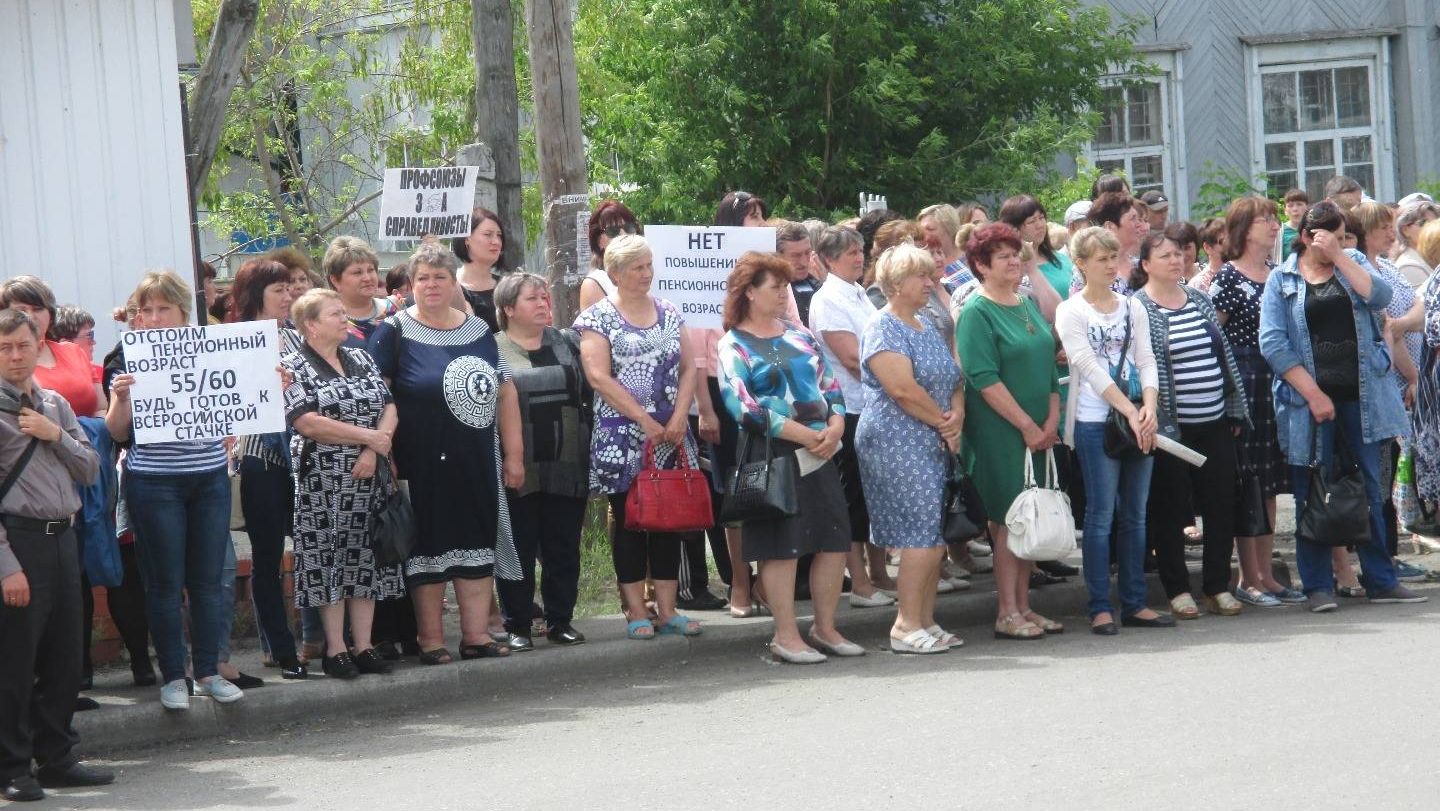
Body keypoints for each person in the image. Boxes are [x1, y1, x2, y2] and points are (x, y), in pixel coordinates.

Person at [1258, 201, 1426, 611]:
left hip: (1362, 398)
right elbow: (1273, 343)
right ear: (1303, 237)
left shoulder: (1350, 262)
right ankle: (1317, 585)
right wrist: (1313, 394)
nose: (1333, 240)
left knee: (1370, 488)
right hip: (1307, 405)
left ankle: (1381, 579)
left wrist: (1337, 256)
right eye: (1324, 235)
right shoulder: (1281, 280)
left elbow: (1381, 297)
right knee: (1312, 494)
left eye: (1339, 233)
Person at [370, 242, 525, 663]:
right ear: (410, 284)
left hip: (475, 460)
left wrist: (514, 456)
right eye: (423, 278)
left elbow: (504, 392)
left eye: (440, 277)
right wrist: (385, 454)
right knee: (428, 550)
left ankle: (476, 636)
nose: (432, 285)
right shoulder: (394, 331)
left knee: (476, 543)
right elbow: (376, 398)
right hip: (418, 462)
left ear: (453, 281)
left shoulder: (478, 331)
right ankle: (431, 639)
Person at [106, 271, 242, 709]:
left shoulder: (212, 348)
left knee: (206, 582)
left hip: (208, 479)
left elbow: (235, 404)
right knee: (164, 584)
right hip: (153, 482)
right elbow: (115, 430)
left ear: (184, 311)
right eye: (145, 310)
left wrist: (263, 392)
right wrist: (121, 399)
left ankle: (207, 671)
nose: (153, 318)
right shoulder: (124, 356)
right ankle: (173, 677)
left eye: (163, 308)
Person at [716, 252, 858, 663]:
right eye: (774, 287)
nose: (784, 293)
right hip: (774, 452)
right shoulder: (734, 344)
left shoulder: (800, 333)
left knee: (833, 538)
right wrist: (800, 434)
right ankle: (785, 634)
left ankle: (826, 627)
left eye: (784, 286)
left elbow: (830, 386)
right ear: (749, 293)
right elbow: (743, 406)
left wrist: (835, 426)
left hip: (821, 448)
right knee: (782, 546)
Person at [0, 308, 112, 803]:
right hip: (18, 542)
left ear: (37, 343)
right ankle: (12, 767)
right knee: (15, 663)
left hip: (65, 538)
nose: (15, 356)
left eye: (23, 345)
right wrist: (6, 566)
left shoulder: (55, 403)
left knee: (65, 655)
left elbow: (90, 469)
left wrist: (54, 433)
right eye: (4, 348)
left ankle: (58, 756)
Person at [573, 234, 703, 639]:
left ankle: (668, 609)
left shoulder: (668, 311)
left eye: (649, 265)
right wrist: (643, 420)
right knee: (630, 521)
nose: (646, 273)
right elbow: (598, 375)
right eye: (637, 267)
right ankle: (635, 609)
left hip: (671, 431)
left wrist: (680, 415)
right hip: (622, 434)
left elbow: (689, 367)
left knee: (668, 521)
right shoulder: (598, 318)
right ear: (615, 273)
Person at [283, 289, 406, 678]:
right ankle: (335, 649)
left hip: (369, 473)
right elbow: (307, 422)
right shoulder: (292, 366)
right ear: (311, 325)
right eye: (335, 314)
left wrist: (375, 448)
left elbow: (388, 405)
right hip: (322, 479)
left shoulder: (360, 355)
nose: (344, 319)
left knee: (365, 557)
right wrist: (367, 439)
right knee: (328, 560)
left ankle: (364, 644)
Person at [1056, 228, 1169, 633]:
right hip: (1093, 421)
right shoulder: (1071, 311)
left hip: (1137, 417)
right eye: (1100, 258)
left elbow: (1146, 359)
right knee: (1101, 514)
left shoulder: (1131, 306)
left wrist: (1149, 408)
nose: (1109, 264)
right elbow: (1087, 366)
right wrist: (1129, 410)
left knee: (1137, 516)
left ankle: (1136, 602)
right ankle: (1100, 605)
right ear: (1081, 264)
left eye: (1113, 257)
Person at [1134, 232, 1251, 619]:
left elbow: (1223, 357)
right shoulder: (1139, 307)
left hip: (1214, 420)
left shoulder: (1199, 298)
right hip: (1171, 430)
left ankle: (1217, 585)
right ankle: (1177, 588)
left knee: (1221, 504)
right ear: (1146, 264)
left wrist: (1233, 408)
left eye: (1178, 254)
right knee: (1170, 508)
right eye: (1164, 255)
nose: (1175, 260)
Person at [954, 223, 1063, 640]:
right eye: (1003, 256)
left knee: (1029, 518)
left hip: (1039, 429)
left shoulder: (1024, 302)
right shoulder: (976, 312)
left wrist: (1050, 420)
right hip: (1001, 433)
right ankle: (1006, 612)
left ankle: (1025, 607)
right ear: (981, 265)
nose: (1015, 261)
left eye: (1016, 254)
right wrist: (1026, 426)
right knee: (1008, 521)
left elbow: (1048, 365)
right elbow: (983, 378)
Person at [856, 244, 966, 652]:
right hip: (896, 441)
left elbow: (955, 378)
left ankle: (926, 619)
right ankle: (904, 626)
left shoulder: (925, 325)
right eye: (920, 276)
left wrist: (956, 417)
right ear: (896, 285)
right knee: (919, 534)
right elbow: (901, 389)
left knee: (934, 534)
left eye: (929, 274)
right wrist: (944, 422)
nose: (930, 282)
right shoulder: (883, 327)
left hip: (934, 438)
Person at [1208, 197, 1300, 606]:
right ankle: (1248, 577)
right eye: (1264, 219)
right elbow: (1214, 335)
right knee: (1248, 480)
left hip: (1276, 380)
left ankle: (1267, 573)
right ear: (1244, 229)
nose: (1273, 224)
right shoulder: (1228, 277)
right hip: (1245, 381)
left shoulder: (1278, 274)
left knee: (1270, 480)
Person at [492, 273, 591, 650]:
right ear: (508, 308)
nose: (542, 303)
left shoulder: (567, 341)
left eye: (544, 297)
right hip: (518, 463)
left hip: (567, 459)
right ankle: (517, 625)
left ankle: (559, 620)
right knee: (517, 545)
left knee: (562, 545)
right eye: (532, 298)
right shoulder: (492, 348)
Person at [225, 259, 307, 680]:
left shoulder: (298, 335)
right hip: (261, 458)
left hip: (304, 454)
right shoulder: (233, 340)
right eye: (278, 289)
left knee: (312, 548)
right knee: (268, 556)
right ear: (256, 293)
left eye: (289, 289)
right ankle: (281, 647)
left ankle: (317, 639)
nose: (288, 296)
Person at [807, 226, 894, 606]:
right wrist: (896, 380)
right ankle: (858, 582)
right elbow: (852, 359)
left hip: (873, 403)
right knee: (852, 498)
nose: (859, 258)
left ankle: (879, 574)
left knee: (872, 493)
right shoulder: (828, 299)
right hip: (851, 408)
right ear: (828, 260)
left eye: (860, 251)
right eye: (849, 254)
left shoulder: (858, 292)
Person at [324, 236, 398, 349]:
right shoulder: (326, 322)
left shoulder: (394, 310)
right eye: (357, 273)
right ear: (335, 280)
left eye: (371, 270)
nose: (367, 278)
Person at [999, 194, 1070, 306]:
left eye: (1041, 218)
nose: (1040, 225)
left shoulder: (1062, 258)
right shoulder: (1015, 270)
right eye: (1031, 221)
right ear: (1013, 228)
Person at [1072, 191, 1144, 296]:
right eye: (1133, 219)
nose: (1139, 224)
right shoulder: (1086, 270)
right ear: (1110, 227)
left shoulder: (1142, 266)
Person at [451, 207, 509, 331]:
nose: (496, 241)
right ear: (467, 239)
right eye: (488, 235)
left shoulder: (509, 285)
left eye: (499, 236)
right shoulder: (450, 286)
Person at [578, 200, 641, 312]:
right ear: (599, 241)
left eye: (629, 228)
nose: (623, 235)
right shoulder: (595, 283)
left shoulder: (650, 273)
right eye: (613, 231)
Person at [777, 220, 821, 325]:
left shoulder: (819, 285)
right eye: (796, 256)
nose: (804, 262)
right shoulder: (772, 295)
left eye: (807, 252)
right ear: (778, 256)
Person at [1392, 202, 1440, 288]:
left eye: (1435, 223)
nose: (1431, 228)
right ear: (1405, 230)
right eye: (1423, 223)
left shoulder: (1431, 258)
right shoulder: (1408, 266)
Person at [918, 204, 966, 282]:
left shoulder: (972, 260)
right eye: (921, 230)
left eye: (930, 229)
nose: (923, 235)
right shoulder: (922, 268)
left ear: (949, 229)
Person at [1189, 218, 1228, 294]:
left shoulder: (1245, 273)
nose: (1230, 245)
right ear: (1207, 247)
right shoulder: (1197, 285)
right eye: (1223, 241)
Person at [1281, 189, 1310, 261]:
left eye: (1299, 204)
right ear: (1285, 211)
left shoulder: (1314, 229)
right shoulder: (1279, 232)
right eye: (1290, 205)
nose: (1295, 209)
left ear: (1307, 207)